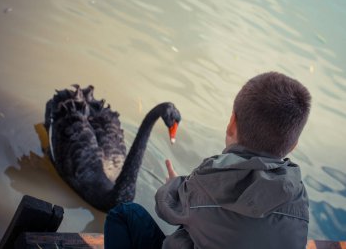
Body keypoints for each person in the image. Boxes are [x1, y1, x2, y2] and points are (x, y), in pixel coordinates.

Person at [104, 72, 311, 249]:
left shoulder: (210, 179)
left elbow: (167, 208)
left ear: (231, 124)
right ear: (293, 145)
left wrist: (173, 185)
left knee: (125, 212)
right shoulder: (298, 195)